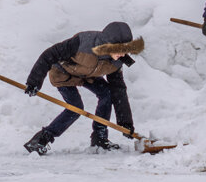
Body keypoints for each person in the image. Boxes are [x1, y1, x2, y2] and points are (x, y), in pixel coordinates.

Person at [22, 21, 143, 155]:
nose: (123, 54)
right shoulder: (82, 44)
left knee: (107, 93)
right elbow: (49, 55)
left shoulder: (116, 61)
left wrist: (125, 123)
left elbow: (118, 89)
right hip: (63, 73)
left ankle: (99, 138)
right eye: (119, 49)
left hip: (87, 75)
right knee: (76, 108)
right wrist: (34, 82)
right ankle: (40, 140)